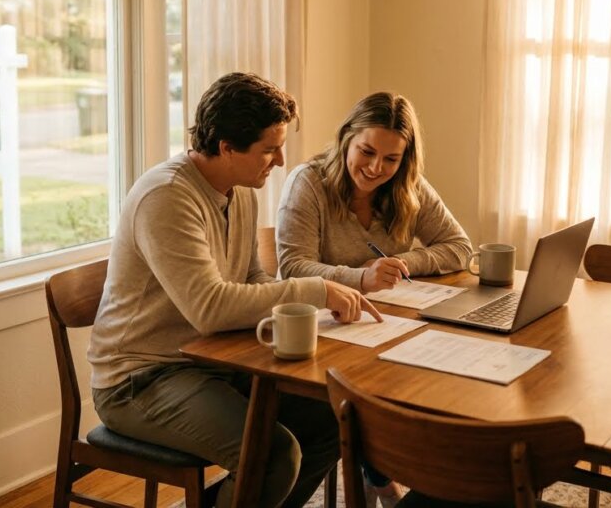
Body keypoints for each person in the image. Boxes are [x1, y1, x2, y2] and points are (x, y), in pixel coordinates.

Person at [88, 72, 381, 508]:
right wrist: (316, 289)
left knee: (329, 420)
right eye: (269, 149)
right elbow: (209, 309)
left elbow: (253, 281)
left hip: (212, 362)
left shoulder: (241, 190)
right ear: (226, 147)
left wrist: (304, 304)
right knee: (273, 454)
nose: (281, 160)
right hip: (139, 381)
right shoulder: (167, 198)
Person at [276, 91, 473, 507]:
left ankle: (392, 476)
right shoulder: (308, 182)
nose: (375, 167)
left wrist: (405, 260)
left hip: (385, 327)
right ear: (346, 137)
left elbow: (458, 246)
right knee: (376, 399)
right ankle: (381, 479)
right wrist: (360, 277)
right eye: (366, 151)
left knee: (446, 383)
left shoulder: (406, 185)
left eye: (391, 159)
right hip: (325, 332)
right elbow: (292, 267)